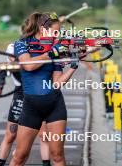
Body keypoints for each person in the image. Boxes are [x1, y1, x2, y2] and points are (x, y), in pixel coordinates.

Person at [9, 12, 78, 166]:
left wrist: (74, 65)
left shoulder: (55, 47)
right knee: (20, 156)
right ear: (42, 29)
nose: (57, 35)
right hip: (31, 107)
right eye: (55, 32)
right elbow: (28, 65)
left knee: (58, 156)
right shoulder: (22, 44)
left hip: (55, 106)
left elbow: (57, 83)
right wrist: (52, 53)